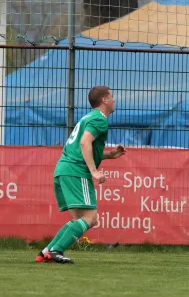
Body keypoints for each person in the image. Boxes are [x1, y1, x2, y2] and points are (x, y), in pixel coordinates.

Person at [36, 85, 125, 264]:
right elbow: (85, 143)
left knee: (78, 219)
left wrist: (109, 155)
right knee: (90, 218)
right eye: (112, 96)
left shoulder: (88, 117)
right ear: (104, 100)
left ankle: (46, 252)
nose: (114, 100)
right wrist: (94, 171)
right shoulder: (99, 119)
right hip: (77, 171)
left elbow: (82, 146)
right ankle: (56, 251)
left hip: (64, 168)